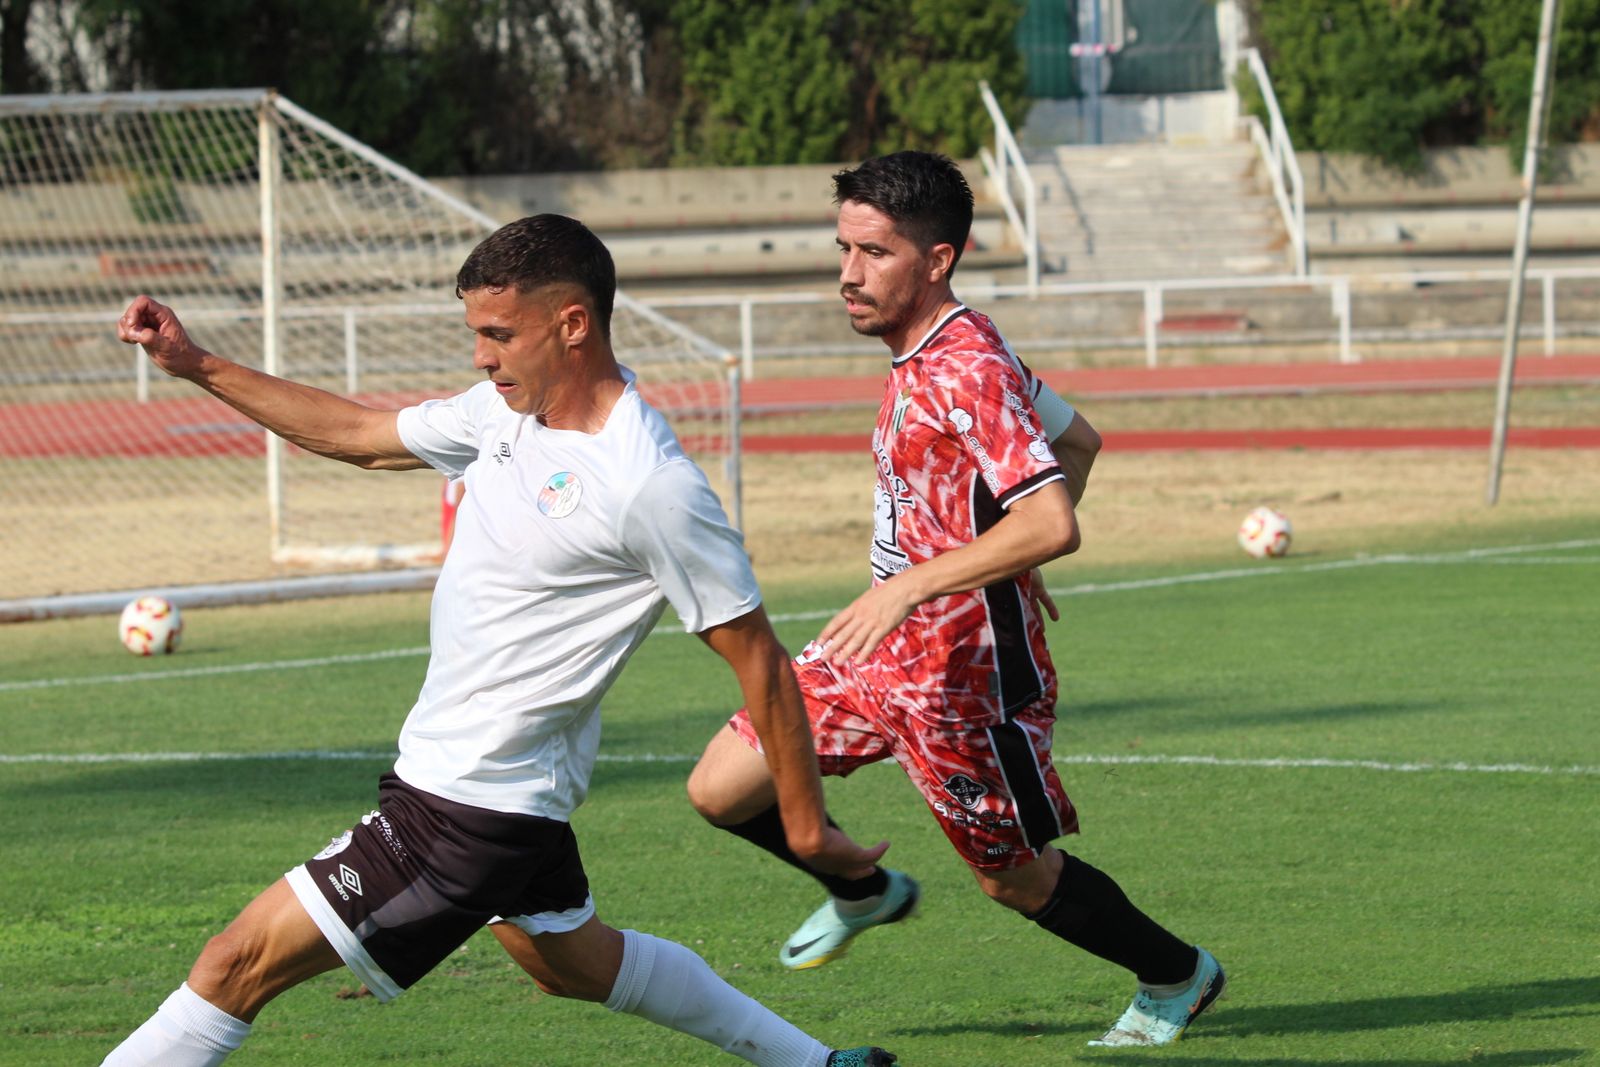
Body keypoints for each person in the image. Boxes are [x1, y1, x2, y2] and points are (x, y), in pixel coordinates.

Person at [104, 214, 897, 1067]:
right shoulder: (504, 412)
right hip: (502, 793)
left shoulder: (648, 485)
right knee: (579, 964)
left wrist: (807, 828)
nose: (481, 355)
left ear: (573, 324)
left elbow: (760, 660)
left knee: (233, 965)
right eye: (476, 332)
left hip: (467, 808)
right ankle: (815, 1063)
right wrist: (196, 364)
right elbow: (362, 438)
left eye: (498, 333)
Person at [686, 153, 1225, 1048]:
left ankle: (1177, 972)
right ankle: (865, 890)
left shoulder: (965, 365)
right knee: (722, 786)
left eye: (875, 253)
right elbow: (1079, 443)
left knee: (1014, 877)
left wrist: (942, 573)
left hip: (964, 681)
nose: (849, 274)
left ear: (938, 259)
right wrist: (999, 552)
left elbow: (1052, 517)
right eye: (844, 248)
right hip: (878, 654)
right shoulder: (932, 349)